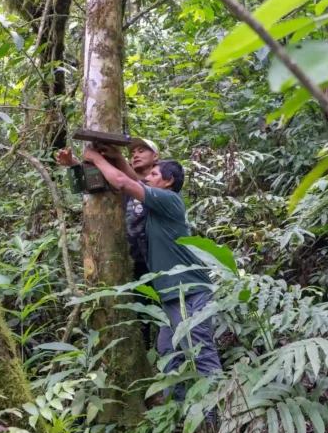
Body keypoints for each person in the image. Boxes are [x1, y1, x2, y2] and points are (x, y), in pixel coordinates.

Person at [80, 145, 222, 402]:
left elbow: (124, 182)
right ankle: (178, 412)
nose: (147, 178)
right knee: (168, 350)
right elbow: (135, 180)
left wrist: (95, 157)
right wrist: (117, 158)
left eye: (154, 175)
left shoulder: (169, 201)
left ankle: (217, 418)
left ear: (168, 182)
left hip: (189, 291)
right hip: (171, 295)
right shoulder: (157, 204)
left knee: (200, 352)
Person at [55, 139, 160, 346]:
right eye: (133, 152)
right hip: (133, 260)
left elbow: (127, 181)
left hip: (158, 260)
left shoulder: (161, 183)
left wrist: (102, 157)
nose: (136, 154)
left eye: (143, 150)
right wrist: (75, 164)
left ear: (156, 157)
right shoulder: (123, 179)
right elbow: (105, 180)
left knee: (168, 312)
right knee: (139, 316)